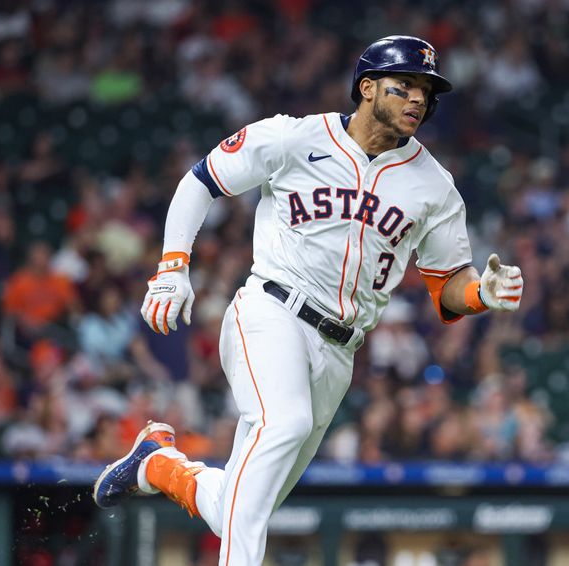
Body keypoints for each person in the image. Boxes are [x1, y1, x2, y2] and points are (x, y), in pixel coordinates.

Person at [93, 35, 524, 565]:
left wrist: (483, 291)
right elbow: (200, 180)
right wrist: (173, 267)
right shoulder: (295, 138)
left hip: (340, 350)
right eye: (405, 85)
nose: (418, 99)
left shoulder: (434, 185)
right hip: (272, 310)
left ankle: (157, 466)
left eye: (427, 91)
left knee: (245, 503)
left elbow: (447, 285)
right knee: (285, 425)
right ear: (367, 88)